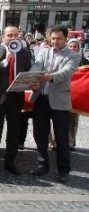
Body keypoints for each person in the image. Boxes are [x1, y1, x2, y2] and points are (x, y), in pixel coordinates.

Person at [29, 26, 81, 183]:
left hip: (60, 101)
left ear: (65, 39)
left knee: (61, 138)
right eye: (53, 38)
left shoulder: (73, 55)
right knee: (40, 134)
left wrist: (49, 77)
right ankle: (42, 164)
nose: (55, 41)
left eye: (59, 38)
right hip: (41, 99)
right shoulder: (44, 52)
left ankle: (64, 170)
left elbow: (66, 72)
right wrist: (32, 78)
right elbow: (36, 66)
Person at [0, 26, 32, 175]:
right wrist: (5, 61)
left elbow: (28, 72)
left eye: (15, 35)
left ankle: (10, 162)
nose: (13, 38)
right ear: (3, 37)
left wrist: (31, 81)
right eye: (9, 35)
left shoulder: (24, 53)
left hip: (15, 97)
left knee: (14, 132)